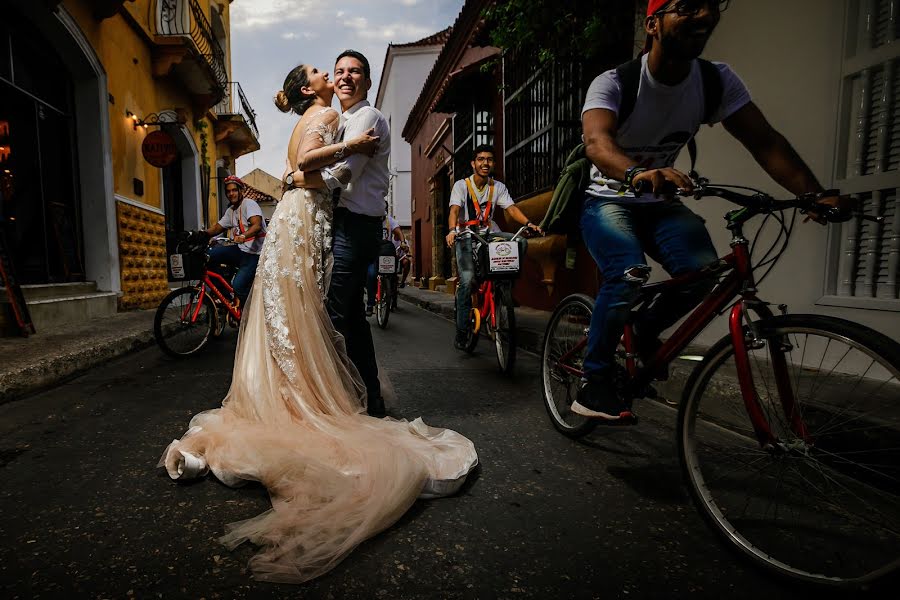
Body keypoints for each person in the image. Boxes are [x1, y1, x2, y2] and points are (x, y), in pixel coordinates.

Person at [159, 60, 477, 584]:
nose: (335, 76)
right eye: (325, 70)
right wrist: (341, 152)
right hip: (306, 212)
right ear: (311, 87)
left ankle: (316, 393)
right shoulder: (328, 114)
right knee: (315, 313)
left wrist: (306, 171)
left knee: (306, 313)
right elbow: (312, 166)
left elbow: (308, 170)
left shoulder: (342, 113)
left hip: (301, 212)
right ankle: (320, 398)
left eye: (347, 70)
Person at [573, 0, 851, 422]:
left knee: (704, 271)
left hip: (660, 205)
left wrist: (814, 194)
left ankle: (646, 330)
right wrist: (636, 174)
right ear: (652, 23)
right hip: (609, 201)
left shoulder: (716, 81)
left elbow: (765, 142)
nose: (703, 15)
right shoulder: (614, 82)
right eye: (686, 7)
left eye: (709, 6)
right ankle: (593, 383)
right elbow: (597, 143)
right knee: (628, 272)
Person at [445, 144, 542, 350]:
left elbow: (512, 209)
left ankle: (504, 287)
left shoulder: (497, 187)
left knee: (520, 242)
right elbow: (454, 210)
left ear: (493, 163)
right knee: (468, 280)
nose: (485, 163)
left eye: (489, 159)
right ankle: (462, 332)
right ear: (473, 163)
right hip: (465, 235)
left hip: (490, 233)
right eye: (480, 159)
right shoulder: (462, 186)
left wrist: (527, 224)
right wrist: (452, 230)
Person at [199, 176, 266, 307]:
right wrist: (202, 234)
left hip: (255, 253)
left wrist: (243, 236)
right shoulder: (231, 211)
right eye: (228, 191)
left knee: (239, 285)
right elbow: (218, 227)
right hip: (240, 250)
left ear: (241, 191)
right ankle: (225, 296)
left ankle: (247, 312)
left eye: (234, 190)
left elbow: (256, 225)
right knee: (209, 256)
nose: (231, 194)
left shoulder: (249, 204)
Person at [365, 206, 404, 316]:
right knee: (371, 274)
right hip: (373, 252)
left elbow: (398, 231)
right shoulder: (370, 219)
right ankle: (370, 303)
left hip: (385, 251)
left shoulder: (389, 221)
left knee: (393, 275)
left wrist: (403, 242)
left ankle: (391, 294)